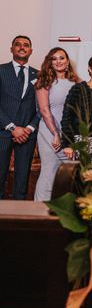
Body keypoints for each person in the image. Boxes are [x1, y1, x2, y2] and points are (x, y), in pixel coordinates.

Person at [33, 47, 79, 201]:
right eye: (54, 58)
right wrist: (56, 134)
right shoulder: (44, 82)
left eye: (62, 58)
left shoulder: (76, 82)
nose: (58, 61)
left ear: (67, 61)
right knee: (49, 171)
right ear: (50, 62)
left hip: (71, 133)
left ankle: (63, 213)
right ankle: (39, 212)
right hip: (50, 132)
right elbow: (44, 110)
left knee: (69, 173)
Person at [0, 36, 40, 200]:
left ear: (31, 50)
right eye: (18, 45)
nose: (22, 47)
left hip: (27, 135)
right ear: (11, 49)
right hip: (2, 132)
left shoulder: (39, 75)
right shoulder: (1, 71)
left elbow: (42, 107)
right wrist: (11, 127)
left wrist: (29, 128)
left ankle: (18, 219)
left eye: (26, 45)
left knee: (22, 181)